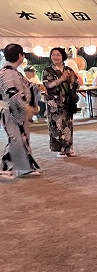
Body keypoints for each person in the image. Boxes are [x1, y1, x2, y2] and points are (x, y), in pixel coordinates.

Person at [0, 43, 40, 180]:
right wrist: (26, 107)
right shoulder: (7, 73)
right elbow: (12, 93)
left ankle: (23, 168)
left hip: (15, 110)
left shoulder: (13, 72)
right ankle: (4, 168)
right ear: (20, 56)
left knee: (21, 138)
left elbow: (27, 85)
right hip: (9, 110)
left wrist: (36, 87)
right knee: (16, 138)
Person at [42, 47, 80, 158]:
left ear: (63, 56)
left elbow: (76, 84)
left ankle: (68, 148)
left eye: (58, 55)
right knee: (57, 125)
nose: (55, 57)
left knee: (68, 124)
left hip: (67, 101)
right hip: (54, 102)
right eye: (53, 54)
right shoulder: (47, 71)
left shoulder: (68, 69)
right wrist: (62, 79)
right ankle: (60, 149)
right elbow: (48, 85)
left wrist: (72, 80)